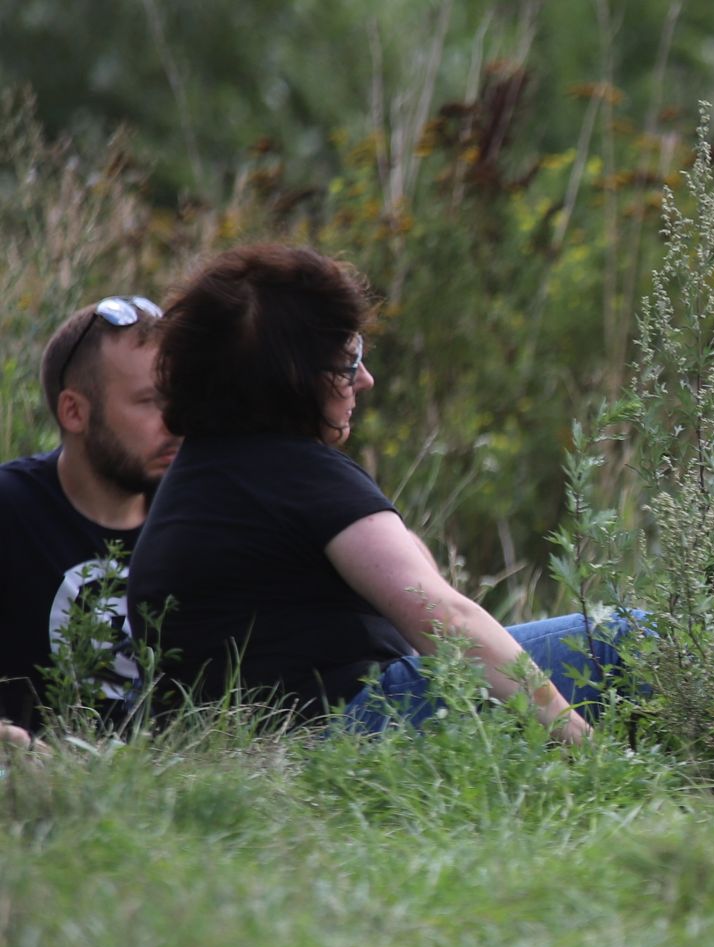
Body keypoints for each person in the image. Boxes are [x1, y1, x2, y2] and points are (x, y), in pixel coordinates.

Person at [128, 244, 623, 743]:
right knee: (627, 637)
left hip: (263, 743)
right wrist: (579, 743)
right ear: (294, 383)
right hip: (346, 728)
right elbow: (447, 618)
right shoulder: (299, 473)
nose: (365, 380)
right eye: (347, 363)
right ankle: (656, 774)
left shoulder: (202, 481)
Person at [0, 296, 180, 738]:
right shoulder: (10, 509)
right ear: (74, 411)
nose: (176, 422)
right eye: (149, 402)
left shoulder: (198, 517)